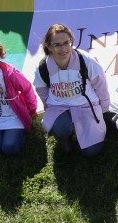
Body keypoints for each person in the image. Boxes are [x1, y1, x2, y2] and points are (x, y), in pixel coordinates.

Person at [33, 23, 110, 157]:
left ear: (71, 42)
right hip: (59, 106)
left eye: (66, 43)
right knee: (61, 127)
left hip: (86, 105)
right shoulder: (43, 67)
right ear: (49, 47)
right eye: (57, 45)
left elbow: (100, 84)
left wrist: (104, 108)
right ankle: (65, 137)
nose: (63, 49)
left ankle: (79, 131)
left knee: (91, 152)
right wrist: (48, 106)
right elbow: (41, 89)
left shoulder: (85, 60)